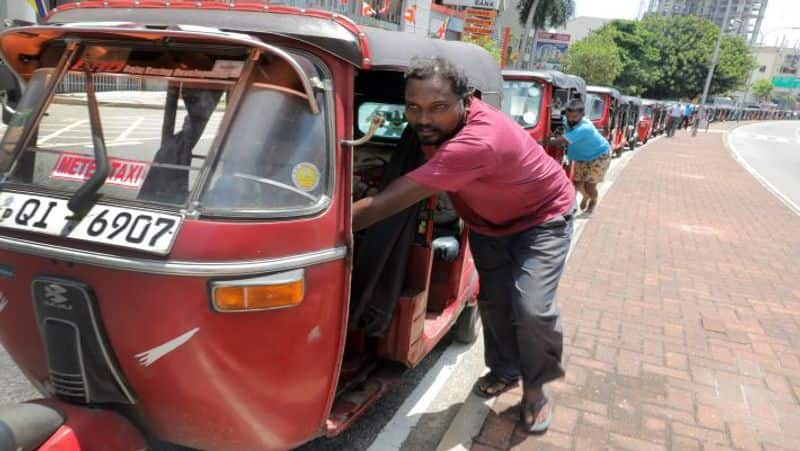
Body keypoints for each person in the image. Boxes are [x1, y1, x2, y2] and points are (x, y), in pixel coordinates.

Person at [352, 57, 575, 433]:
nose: (423, 119)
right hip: (486, 222)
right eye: (413, 107)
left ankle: (536, 390)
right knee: (493, 301)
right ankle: (504, 370)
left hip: (542, 219)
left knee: (532, 307)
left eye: (438, 107)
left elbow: (390, 202)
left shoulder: (479, 141)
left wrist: (317, 227)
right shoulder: (433, 130)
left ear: (467, 100)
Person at [548, 99, 610, 215]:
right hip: (582, 156)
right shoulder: (567, 120)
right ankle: (585, 196)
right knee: (577, 183)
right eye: (569, 116)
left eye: (575, 117)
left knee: (589, 186)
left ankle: (593, 200)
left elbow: (562, 140)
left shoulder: (585, 128)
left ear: (582, 115)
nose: (571, 120)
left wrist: (542, 142)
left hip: (599, 156)